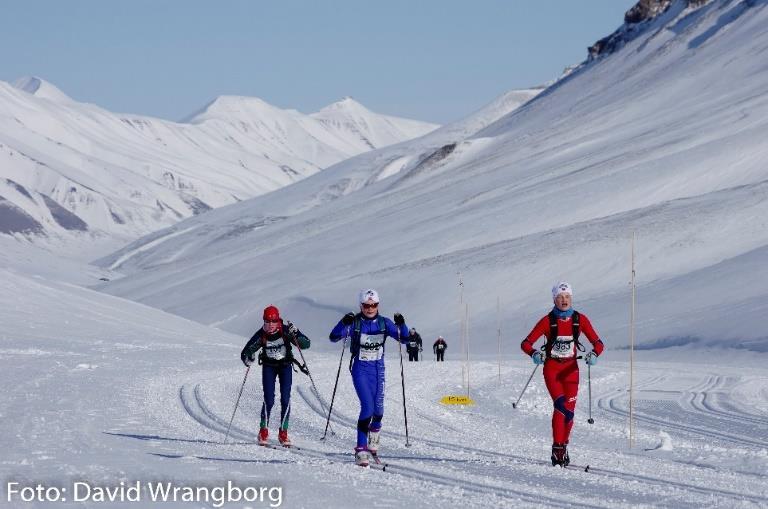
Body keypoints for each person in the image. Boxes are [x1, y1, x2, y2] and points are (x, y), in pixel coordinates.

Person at [520, 282, 604, 466]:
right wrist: (534, 353)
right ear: (554, 299)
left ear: (571, 298)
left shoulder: (580, 320)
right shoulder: (546, 321)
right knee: (560, 407)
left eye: (567, 297)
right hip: (552, 370)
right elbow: (525, 343)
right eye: (560, 297)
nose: (564, 300)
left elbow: (599, 343)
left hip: (571, 371)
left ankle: (564, 445)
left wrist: (594, 354)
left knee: (570, 414)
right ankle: (557, 449)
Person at [329, 289, 409, 466]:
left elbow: (404, 339)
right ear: (361, 306)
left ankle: (373, 443)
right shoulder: (356, 322)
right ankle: (361, 449)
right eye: (366, 305)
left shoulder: (384, 323)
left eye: (373, 305)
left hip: (378, 369)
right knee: (367, 407)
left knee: (379, 411)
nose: (370, 308)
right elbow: (333, 337)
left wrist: (401, 324)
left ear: (378, 305)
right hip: (360, 369)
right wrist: (344, 322)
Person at [241, 305, 310, 447]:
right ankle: (263, 430)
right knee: (269, 399)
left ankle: (283, 432)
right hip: (269, 367)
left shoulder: (286, 331)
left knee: (285, 398)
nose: (270, 325)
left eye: (273, 322)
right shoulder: (262, 334)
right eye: (267, 322)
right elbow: (247, 350)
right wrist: (248, 358)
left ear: (278, 320)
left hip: (285, 366)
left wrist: (296, 333)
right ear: (264, 321)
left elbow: (305, 344)